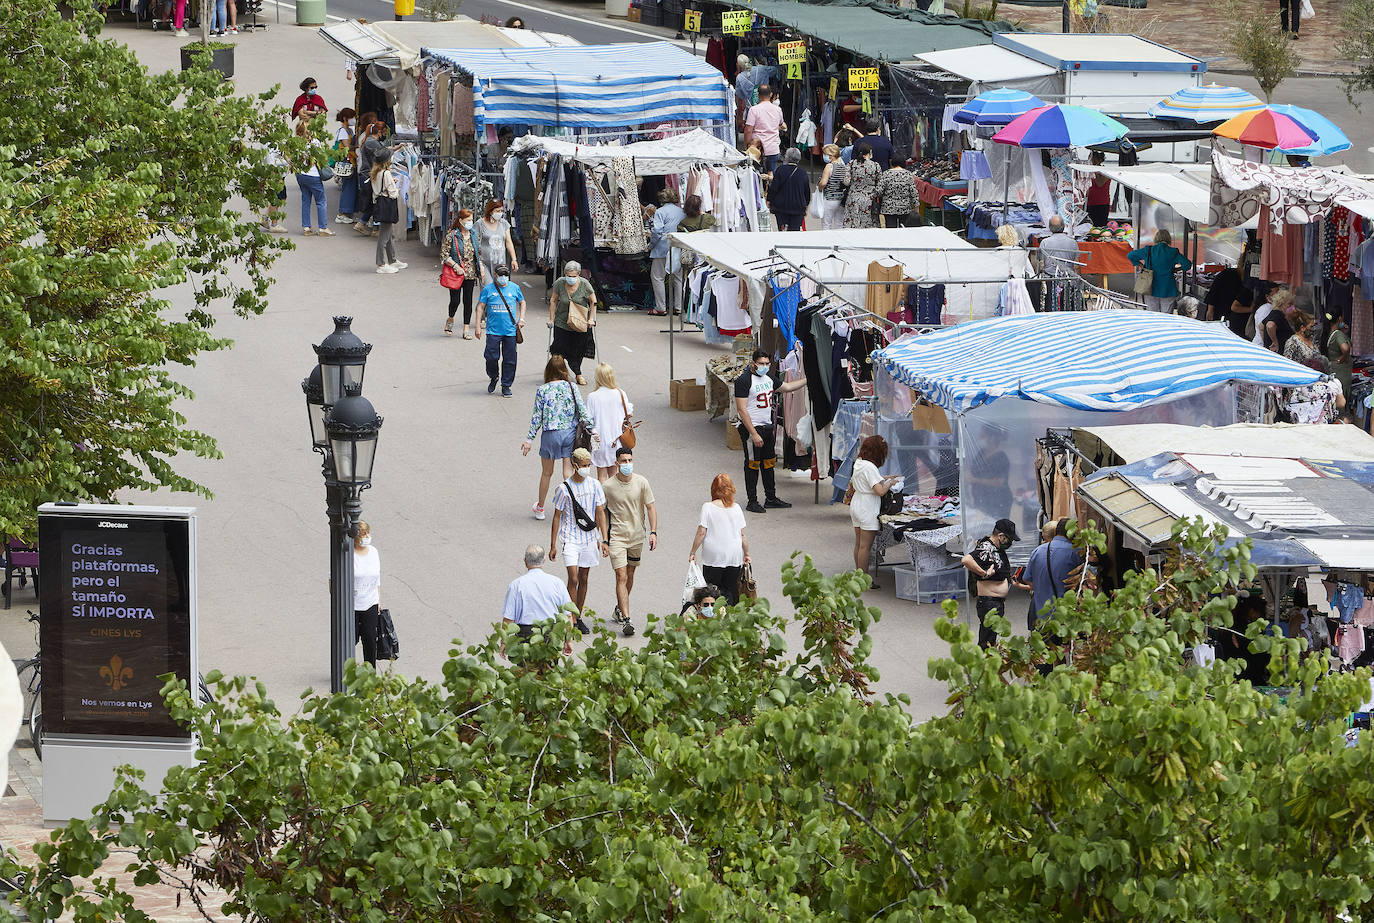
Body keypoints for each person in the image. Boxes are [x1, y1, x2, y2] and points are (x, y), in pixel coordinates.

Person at [733, 348, 807, 514]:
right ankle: (752, 501)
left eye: (767, 363)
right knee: (752, 465)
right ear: (753, 363)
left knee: (768, 464)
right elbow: (742, 409)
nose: (764, 366)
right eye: (761, 363)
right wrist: (753, 433)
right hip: (753, 428)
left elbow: (787, 386)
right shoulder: (744, 381)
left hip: (767, 427)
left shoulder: (768, 378)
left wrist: (806, 380)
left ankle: (771, 498)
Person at [522, 355, 596, 520]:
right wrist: (593, 430)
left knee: (546, 473)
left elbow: (537, 418)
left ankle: (540, 507)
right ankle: (573, 507)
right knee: (568, 472)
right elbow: (582, 410)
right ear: (564, 370)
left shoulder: (543, 390)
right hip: (569, 433)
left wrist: (529, 440)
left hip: (550, 435)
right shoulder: (571, 387)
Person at [601, 446, 658, 634]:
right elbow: (601, 512)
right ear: (616, 463)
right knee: (621, 576)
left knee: (630, 574)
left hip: (637, 537)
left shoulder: (642, 482)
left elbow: (650, 507)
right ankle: (627, 619)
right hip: (616, 538)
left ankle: (619, 609)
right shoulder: (608, 486)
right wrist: (603, 539)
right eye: (623, 461)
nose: (627, 464)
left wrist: (653, 532)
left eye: (629, 460)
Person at [549, 447, 607, 626]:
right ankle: (569, 615)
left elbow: (600, 512)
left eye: (589, 465)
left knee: (583, 578)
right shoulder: (564, 488)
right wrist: (553, 544)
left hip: (589, 538)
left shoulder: (595, 485)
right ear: (574, 465)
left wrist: (604, 539)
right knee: (573, 578)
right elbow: (557, 516)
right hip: (570, 538)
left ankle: (577, 616)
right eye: (584, 465)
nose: (587, 468)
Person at [961, 519, 1025, 650]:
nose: (1010, 543)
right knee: (987, 642)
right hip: (988, 603)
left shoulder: (996, 548)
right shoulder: (987, 547)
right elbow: (966, 559)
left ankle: (987, 665)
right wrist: (984, 573)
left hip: (995, 602)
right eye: (1009, 539)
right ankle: (983, 668)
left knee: (990, 639)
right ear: (1001, 536)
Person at [849, 435, 902, 589]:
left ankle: (858, 576)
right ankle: (864, 580)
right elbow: (879, 491)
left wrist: (885, 477)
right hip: (868, 507)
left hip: (857, 503)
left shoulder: (859, 462)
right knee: (866, 546)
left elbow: (870, 479)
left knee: (859, 544)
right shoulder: (870, 467)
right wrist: (890, 482)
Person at [502, 545, 575, 656]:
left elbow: (508, 619)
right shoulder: (557, 583)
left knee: (527, 670)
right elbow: (568, 615)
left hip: (525, 634)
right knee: (550, 670)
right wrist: (568, 640)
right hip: (552, 633)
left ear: (525, 561)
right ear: (544, 560)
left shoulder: (516, 585)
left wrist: (504, 641)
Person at [689, 473, 750, 605]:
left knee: (712, 590)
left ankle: (714, 616)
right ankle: (730, 614)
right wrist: (746, 553)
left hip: (713, 556)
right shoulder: (737, 508)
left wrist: (693, 552)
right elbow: (742, 534)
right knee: (731, 588)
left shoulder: (708, 507)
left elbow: (701, 532)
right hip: (734, 555)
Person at [1025, 519, 1082, 633]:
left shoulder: (1038, 551)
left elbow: (1027, 579)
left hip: (1041, 616)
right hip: (1066, 618)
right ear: (1072, 533)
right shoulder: (1077, 552)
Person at [476, 264, 524, 397]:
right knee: (491, 357)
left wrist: (522, 319)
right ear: (495, 275)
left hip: (510, 331)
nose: (503, 278)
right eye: (500, 275)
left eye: (505, 275)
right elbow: (480, 307)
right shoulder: (488, 289)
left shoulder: (514, 288)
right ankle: (493, 376)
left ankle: (506, 385)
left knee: (510, 359)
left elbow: (522, 302)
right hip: (493, 331)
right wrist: (478, 326)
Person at [549, 260, 598, 384]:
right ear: (565, 274)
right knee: (558, 348)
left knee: (578, 350)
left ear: (579, 275)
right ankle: (558, 372)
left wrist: (591, 318)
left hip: (580, 322)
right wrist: (551, 319)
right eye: (568, 276)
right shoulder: (560, 283)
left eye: (574, 276)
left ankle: (577, 373)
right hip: (562, 321)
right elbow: (553, 300)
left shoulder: (585, 285)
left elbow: (593, 301)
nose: (571, 279)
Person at [1128, 228, 1192, 313]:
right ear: (1168, 239)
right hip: (1168, 289)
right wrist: (1176, 269)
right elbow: (1187, 264)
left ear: (1156, 238)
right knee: (1167, 317)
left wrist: (1141, 266)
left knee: (1153, 316)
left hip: (1150, 287)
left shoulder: (1149, 250)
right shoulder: (1173, 251)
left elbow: (1131, 255)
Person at [586, 363, 633, 479]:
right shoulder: (620, 393)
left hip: (599, 439)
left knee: (601, 475)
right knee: (613, 474)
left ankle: (603, 497)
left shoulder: (592, 396)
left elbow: (587, 420)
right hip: (617, 439)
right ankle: (613, 497)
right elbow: (629, 412)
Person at [442, 209, 481, 338]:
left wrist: (480, 268)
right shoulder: (452, 235)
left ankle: (466, 328)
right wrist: (455, 266)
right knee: (455, 300)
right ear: (460, 221)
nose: (471, 222)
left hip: (470, 273)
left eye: (472, 220)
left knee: (468, 301)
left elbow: (478, 253)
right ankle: (451, 318)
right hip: (456, 274)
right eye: (468, 220)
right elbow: (444, 255)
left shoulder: (474, 235)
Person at [648, 188, 686, 316]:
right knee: (678, 277)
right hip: (678, 245)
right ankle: (678, 307)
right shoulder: (682, 212)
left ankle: (661, 307)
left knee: (658, 276)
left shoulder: (660, 211)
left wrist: (651, 245)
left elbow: (657, 231)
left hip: (662, 246)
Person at [293, 119, 333, 237]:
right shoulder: (315, 142)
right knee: (321, 201)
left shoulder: (295, 143)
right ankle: (323, 227)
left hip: (301, 174)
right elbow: (321, 158)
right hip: (313, 174)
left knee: (306, 200)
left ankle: (306, 227)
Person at [352, 520, 382, 667]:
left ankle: (370, 671)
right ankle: (346, 670)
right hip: (352, 604)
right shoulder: (348, 554)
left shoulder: (373, 552)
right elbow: (332, 578)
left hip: (370, 602)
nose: (367, 536)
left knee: (370, 639)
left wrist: (378, 600)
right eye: (363, 534)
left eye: (367, 533)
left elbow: (377, 578)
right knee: (350, 640)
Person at [370, 150, 404, 273]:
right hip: (387, 206)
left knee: (389, 234)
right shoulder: (386, 173)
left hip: (380, 204)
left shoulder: (376, 172)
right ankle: (381, 264)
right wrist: (397, 188)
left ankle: (392, 260)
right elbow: (393, 193)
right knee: (384, 236)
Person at [354, 121, 389, 235]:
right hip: (368, 175)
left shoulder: (371, 141)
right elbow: (381, 155)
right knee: (374, 201)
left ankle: (364, 224)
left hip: (368, 175)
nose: (385, 135)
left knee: (372, 201)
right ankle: (373, 228)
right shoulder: (372, 142)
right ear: (379, 132)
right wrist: (393, 150)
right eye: (384, 132)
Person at [766, 148, 812, 231]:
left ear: (786, 158)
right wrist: (806, 206)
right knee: (794, 231)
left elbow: (774, 188)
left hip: (781, 207)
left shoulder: (780, 170)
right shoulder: (803, 173)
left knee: (783, 230)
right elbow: (807, 192)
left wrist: (769, 200)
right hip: (798, 207)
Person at [744, 85, 786, 173]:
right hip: (772, 148)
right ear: (771, 94)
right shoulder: (778, 110)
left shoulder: (754, 110)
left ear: (758, 95)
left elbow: (748, 130)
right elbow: (781, 124)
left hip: (757, 148)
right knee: (771, 176)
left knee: (755, 174)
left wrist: (747, 145)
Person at [477, 201, 517, 288]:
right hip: (485, 263)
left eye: (501, 211)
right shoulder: (480, 223)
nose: (500, 213)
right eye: (497, 211)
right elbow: (475, 242)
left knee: (500, 290)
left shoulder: (504, 224)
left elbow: (508, 242)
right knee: (488, 289)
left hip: (500, 264)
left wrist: (514, 259)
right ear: (490, 211)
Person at [842, 142, 880, 229]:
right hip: (869, 198)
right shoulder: (875, 165)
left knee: (853, 224)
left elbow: (846, 182)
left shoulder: (851, 164)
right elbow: (879, 183)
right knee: (868, 224)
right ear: (869, 153)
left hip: (853, 198)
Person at [332, 109, 358, 225]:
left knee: (351, 187)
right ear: (345, 118)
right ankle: (342, 213)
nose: (354, 119)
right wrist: (357, 145)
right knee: (347, 187)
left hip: (350, 161)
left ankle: (348, 212)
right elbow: (347, 146)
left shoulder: (349, 130)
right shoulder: (343, 131)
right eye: (352, 117)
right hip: (346, 161)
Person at [817, 143, 849, 231]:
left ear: (831, 155)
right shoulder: (844, 166)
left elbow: (823, 182)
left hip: (830, 198)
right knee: (839, 224)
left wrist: (819, 188)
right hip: (841, 199)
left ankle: (827, 242)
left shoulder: (829, 166)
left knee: (826, 224)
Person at [875, 160, 916, 229]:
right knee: (904, 230)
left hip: (889, 208)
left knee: (891, 231)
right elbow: (913, 192)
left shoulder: (886, 174)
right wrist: (915, 206)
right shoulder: (908, 174)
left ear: (892, 163)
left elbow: (879, 191)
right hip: (904, 208)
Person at [1326, 311, 1353, 401]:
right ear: (1339, 318)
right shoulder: (1338, 334)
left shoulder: (1330, 332)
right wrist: (1343, 358)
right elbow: (1345, 349)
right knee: (1341, 396)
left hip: (1334, 369)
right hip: (1341, 371)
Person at [1262, 287, 1296, 353]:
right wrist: (1275, 342)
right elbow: (1270, 326)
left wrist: (1267, 342)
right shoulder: (1278, 314)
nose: (1292, 307)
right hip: (1277, 353)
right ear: (1281, 303)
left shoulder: (1274, 313)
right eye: (1289, 304)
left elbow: (1261, 326)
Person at [1086, 151, 1111, 227]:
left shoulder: (1105, 171)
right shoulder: (1090, 170)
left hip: (1102, 203)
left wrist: (1095, 170)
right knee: (1090, 225)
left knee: (1100, 225)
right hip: (1090, 202)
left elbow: (1100, 183)